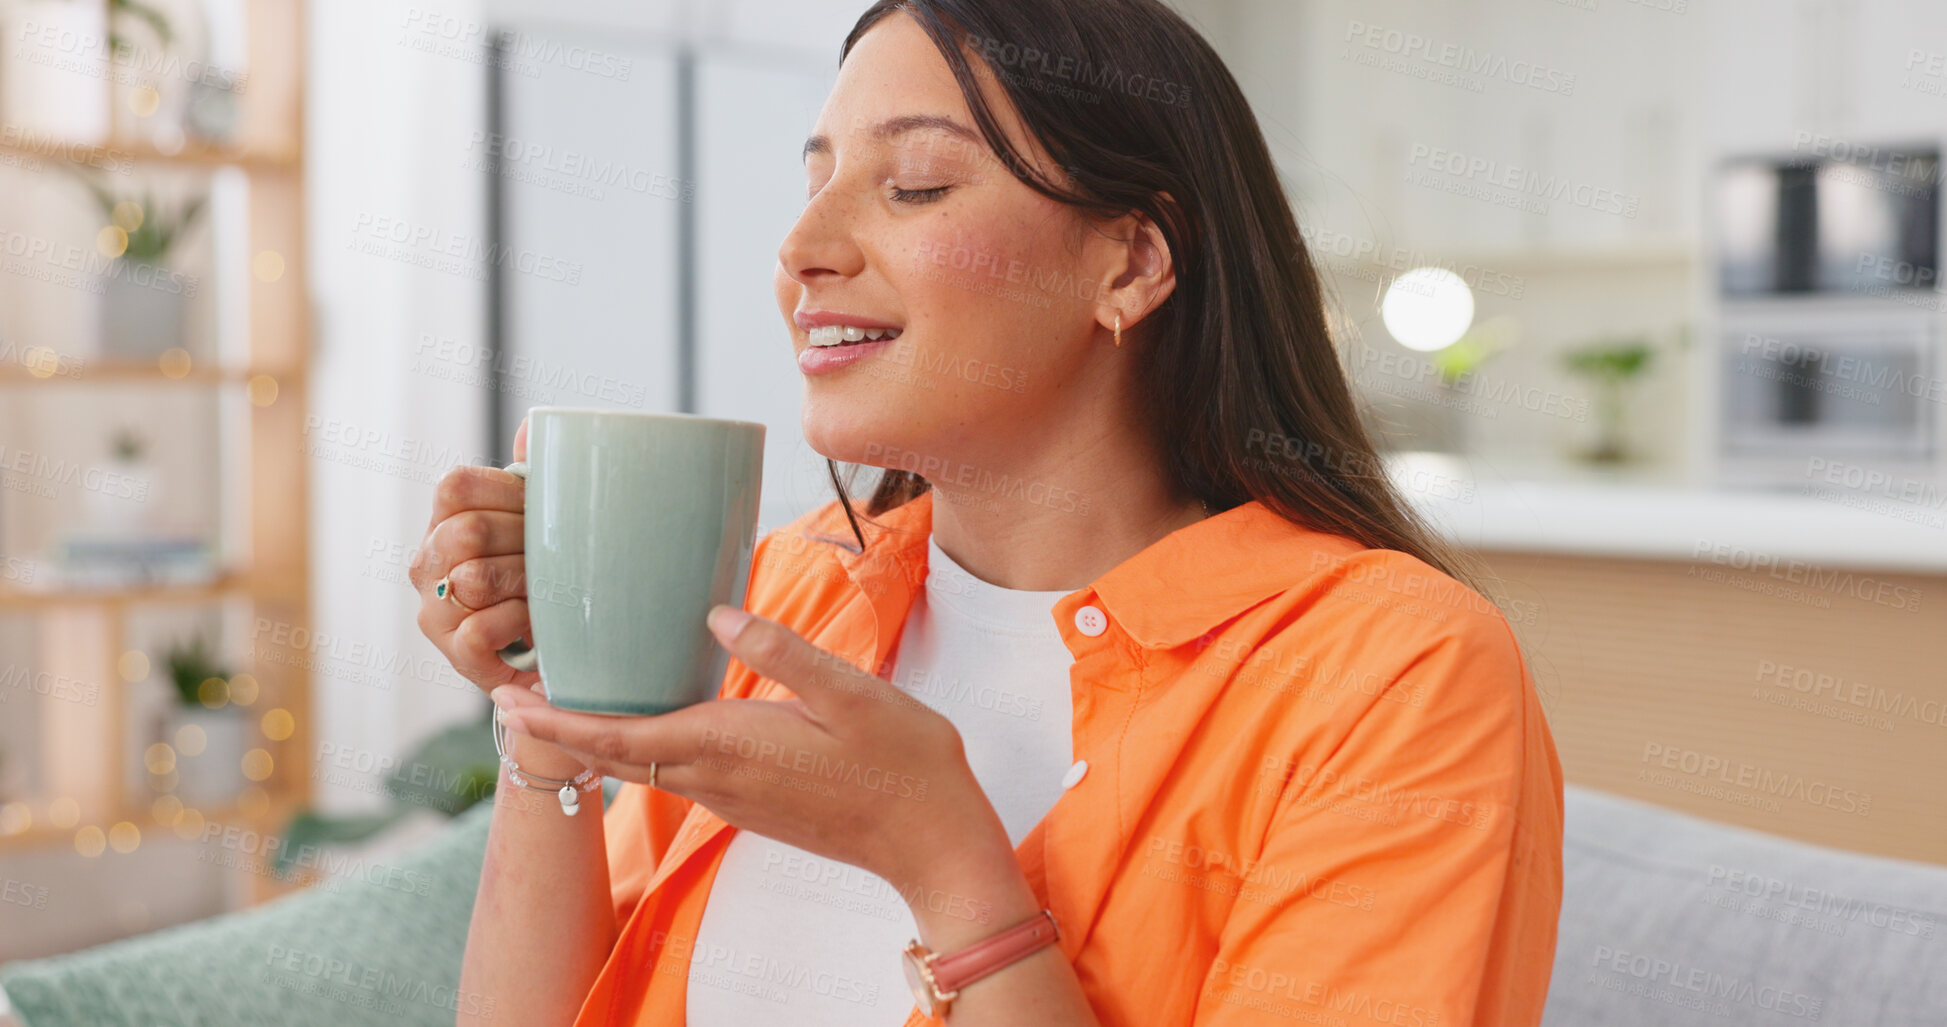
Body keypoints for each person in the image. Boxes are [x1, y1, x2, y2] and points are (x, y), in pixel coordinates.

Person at [411, 1, 1564, 1024]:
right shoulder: (787, 594)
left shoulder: (1395, 675)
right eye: (815, 184)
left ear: (1131, 264)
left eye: (913, 185)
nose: (802, 251)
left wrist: (944, 862)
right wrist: (551, 723)